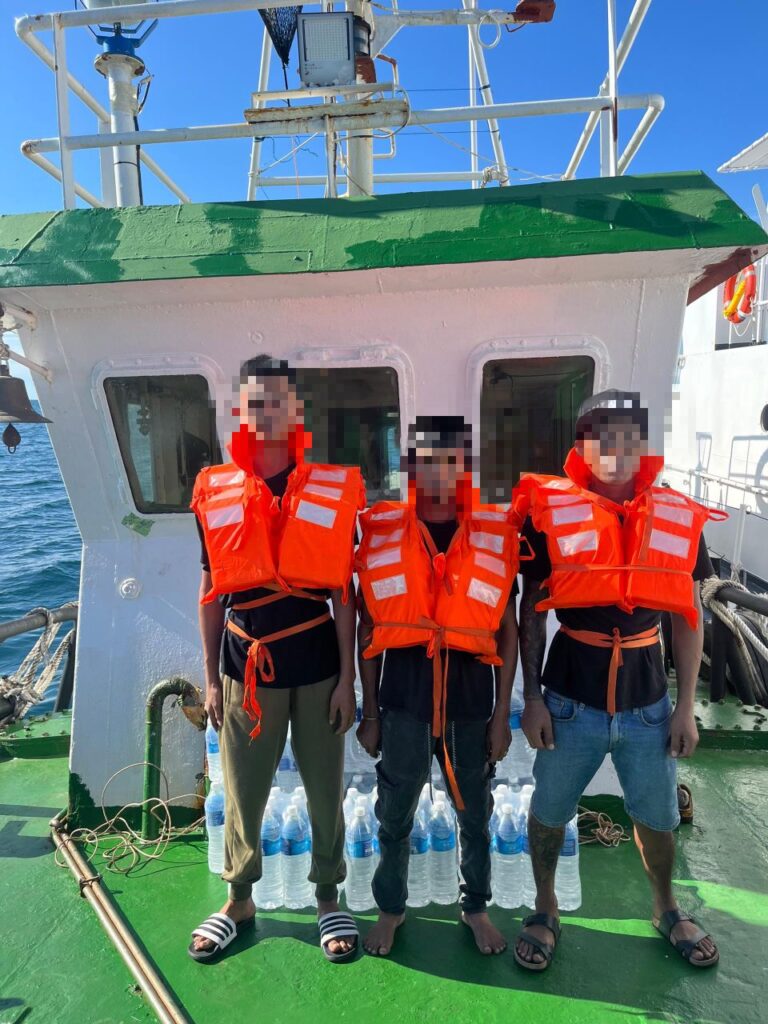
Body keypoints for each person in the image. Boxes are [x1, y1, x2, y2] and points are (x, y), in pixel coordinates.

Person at [513, 389, 721, 972]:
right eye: (600, 435)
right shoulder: (550, 513)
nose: (614, 447)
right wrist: (532, 699)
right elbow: (531, 610)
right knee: (549, 811)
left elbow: (688, 616)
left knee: (658, 817)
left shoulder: (676, 515)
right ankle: (546, 907)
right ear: (581, 446)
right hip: (568, 698)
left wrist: (684, 706)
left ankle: (666, 907)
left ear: (642, 445)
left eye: (627, 434)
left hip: (648, 701)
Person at [188, 356, 364, 964]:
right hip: (244, 668)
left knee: (325, 791)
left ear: (296, 413)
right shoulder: (215, 490)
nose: (266, 414)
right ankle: (239, 899)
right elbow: (210, 591)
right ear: (241, 411)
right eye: (255, 403)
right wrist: (211, 680)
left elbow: (344, 593)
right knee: (243, 792)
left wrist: (348, 678)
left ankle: (327, 895)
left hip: (317, 666)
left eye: (278, 403)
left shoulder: (330, 489)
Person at [356, 416, 519, 957]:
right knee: (393, 815)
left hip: (469, 707)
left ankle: (475, 908)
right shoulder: (384, 534)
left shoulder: (492, 536)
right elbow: (367, 627)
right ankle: (391, 910)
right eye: (427, 462)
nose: (439, 473)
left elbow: (508, 629)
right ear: (410, 468)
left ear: (466, 468)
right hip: (403, 704)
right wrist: (370, 712)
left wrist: (501, 715)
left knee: (475, 815)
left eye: (451, 461)